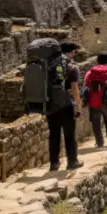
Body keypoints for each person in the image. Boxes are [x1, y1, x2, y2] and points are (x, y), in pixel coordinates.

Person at [22, 38, 82, 171]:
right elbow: (75, 89)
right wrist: (78, 106)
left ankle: (54, 163)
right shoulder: (70, 66)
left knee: (54, 134)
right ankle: (72, 161)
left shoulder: (46, 65)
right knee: (69, 134)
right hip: (65, 104)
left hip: (49, 104)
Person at [82, 52, 107, 148]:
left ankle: (99, 142)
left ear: (97, 60)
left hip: (93, 102)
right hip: (106, 101)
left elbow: (85, 86)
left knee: (96, 122)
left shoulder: (90, 73)